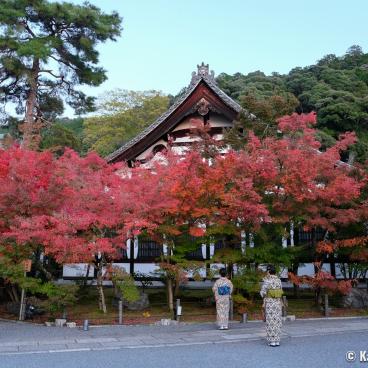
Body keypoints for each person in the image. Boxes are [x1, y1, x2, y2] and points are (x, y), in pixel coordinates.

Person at [260, 264, 283, 347]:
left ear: (268, 272)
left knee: (270, 321)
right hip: (278, 303)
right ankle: (277, 340)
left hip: (270, 303)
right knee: (277, 321)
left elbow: (262, 293)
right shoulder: (279, 280)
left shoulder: (267, 281)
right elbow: (280, 291)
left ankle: (272, 341)